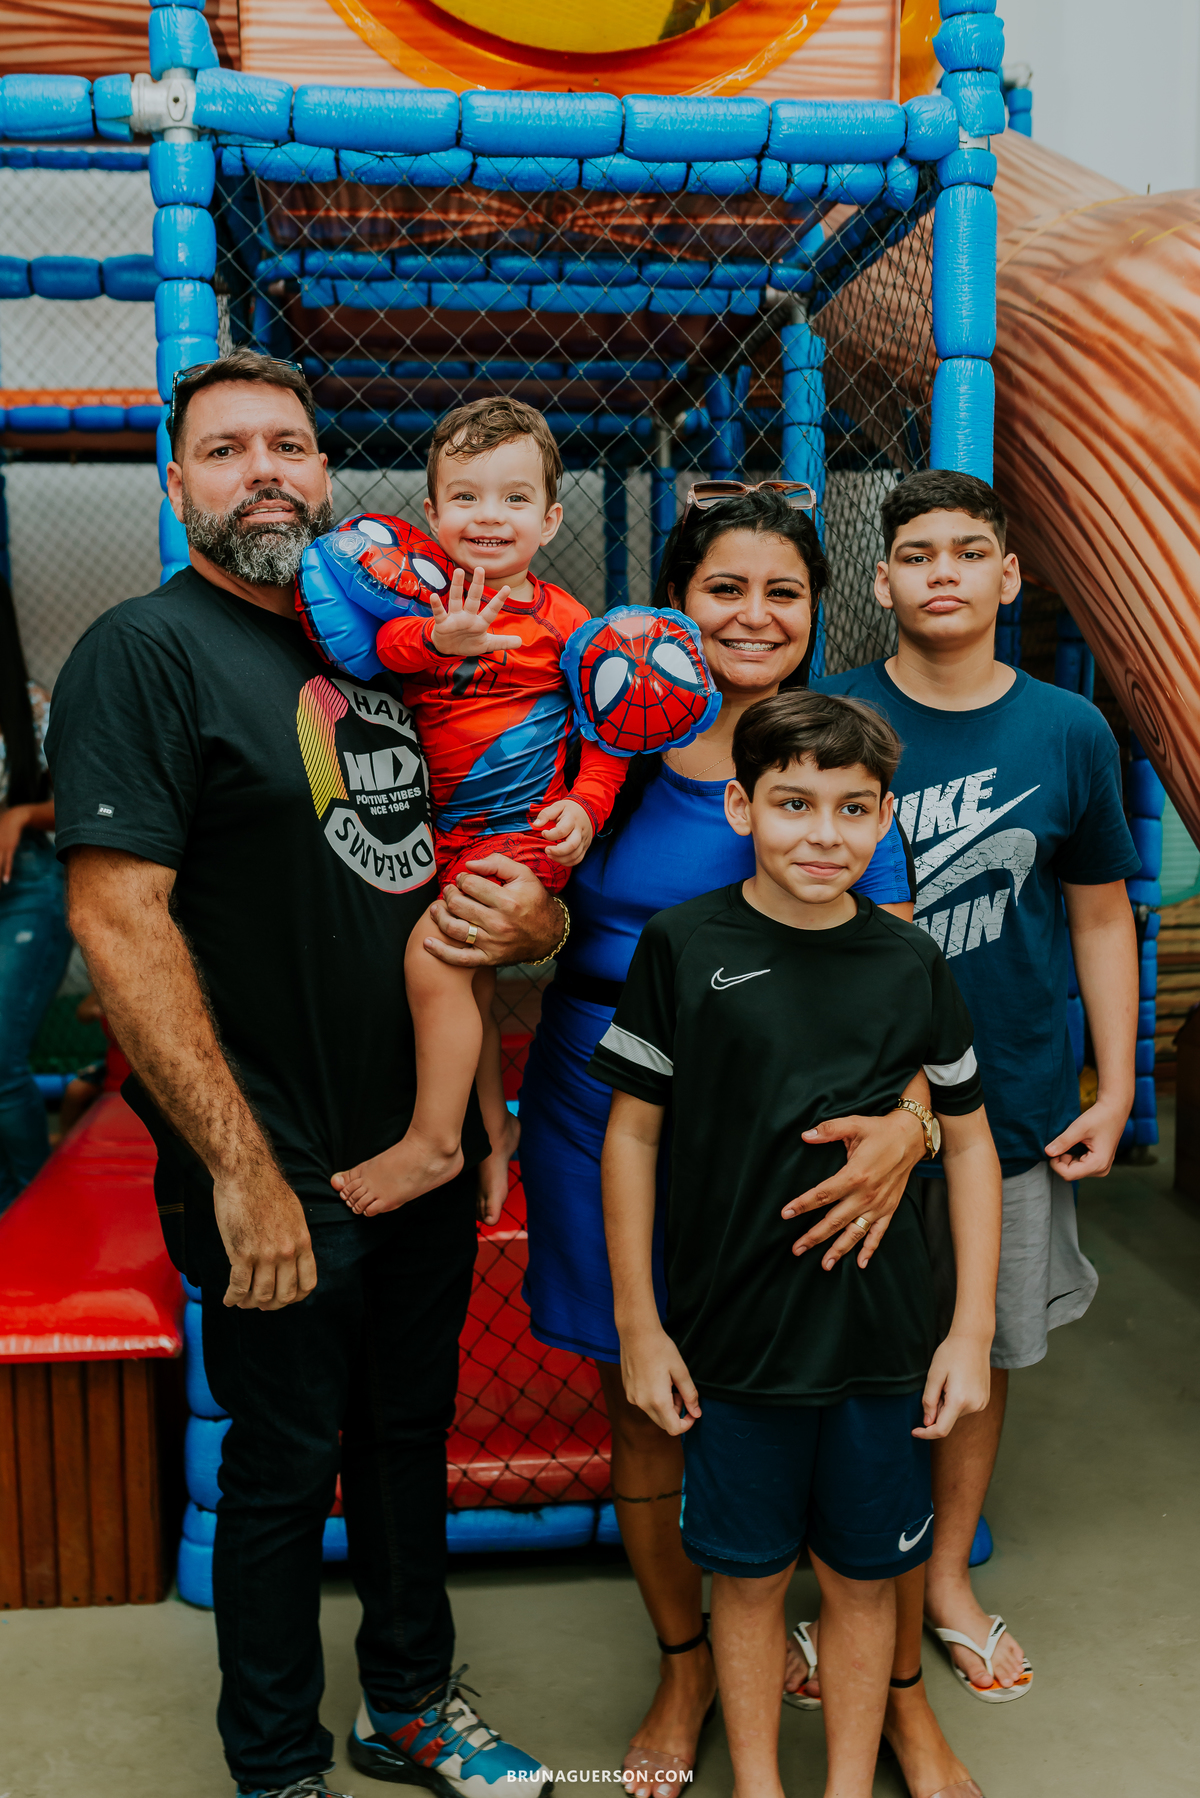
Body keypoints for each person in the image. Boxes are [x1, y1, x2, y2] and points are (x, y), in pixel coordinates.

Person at [46, 350, 559, 1798]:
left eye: (288, 444)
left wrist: (487, 1074)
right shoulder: (144, 651)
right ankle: (275, 1763)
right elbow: (117, 920)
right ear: (177, 486)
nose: (262, 470)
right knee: (278, 1469)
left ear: (328, 475)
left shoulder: (381, 652)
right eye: (225, 450)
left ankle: (409, 1702)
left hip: (415, 1136)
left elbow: (451, 885)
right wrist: (240, 1167)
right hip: (271, 1150)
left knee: (407, 1438)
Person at [516, 487, 959, 1796]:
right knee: (649, 1402)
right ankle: (687, 1663)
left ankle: (899, 1700)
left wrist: (915, 1128)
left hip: (808, 1126)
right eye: (725, 587)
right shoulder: (601, 740)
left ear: (817, 608)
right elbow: (519, 909)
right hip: (613, 1104)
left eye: (783, 591)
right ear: (675, 601)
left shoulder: (831, 761)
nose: (754, 614)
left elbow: (914, 993)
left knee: (856, 1410)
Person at [595, 689, 1002, 1798]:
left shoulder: (911, 960)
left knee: (866, 1581)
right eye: (793, 803)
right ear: (740, 806)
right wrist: (640, 1324)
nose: (823, 834)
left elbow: (969, 1143)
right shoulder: (683, 947)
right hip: (734, 1343)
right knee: (748, 1579)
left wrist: (969, 1330)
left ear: (886, 820)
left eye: (853, 808)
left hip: (881, 1344)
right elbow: (631, 1137)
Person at [818, 468, 1139, 1702]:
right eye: (917, 553)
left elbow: (1099, 915)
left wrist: (1115, 1084)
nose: (941, 571)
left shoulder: (1069, 729)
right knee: (846, 1357)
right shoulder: (834, 712)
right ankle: (844, 1592)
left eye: (967, 552)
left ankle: (946, 1575)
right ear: (883, 579)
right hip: (849, 1106)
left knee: (982, 1343)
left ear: (1008, 578)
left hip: (1006, 1103)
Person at [324, 398, 631, 1221]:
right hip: (448, 833)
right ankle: (494, 1129)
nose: (489, 516)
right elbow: (384, 651)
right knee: (476, 986)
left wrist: (586, 807)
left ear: (550, 518)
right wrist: (439, 639)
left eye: (514, 498)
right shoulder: (421, 604)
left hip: (523, 834)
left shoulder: (567, 623)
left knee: (435, 959)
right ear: (432, 515)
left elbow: (607, 732)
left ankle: (435, 1143)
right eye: (465, 497)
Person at [0, 575, 71, 1216]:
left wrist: (21, 814)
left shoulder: (28, 704)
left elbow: (84, 802)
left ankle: (29, 1215)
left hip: (25, 890)